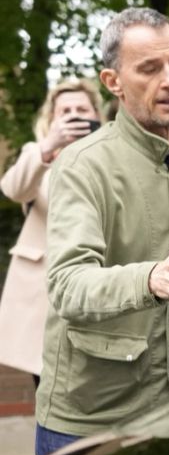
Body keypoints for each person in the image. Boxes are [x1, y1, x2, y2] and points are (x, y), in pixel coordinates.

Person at [34, 7, 169, 455]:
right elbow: (66, 286)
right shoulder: (82, 166)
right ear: (112, 81)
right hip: (90, 419)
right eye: (150, 68)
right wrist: (149, 278)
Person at [0, 79, 104, 384]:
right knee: (45, 384)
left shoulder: (111, 157)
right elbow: (13, 189)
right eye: (65, 111)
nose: (73, 115)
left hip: (94, 288)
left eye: (82, 109)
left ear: (97, 115)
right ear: (51, 119)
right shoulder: (37, 155)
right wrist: (49, 147)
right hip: (44, 295)